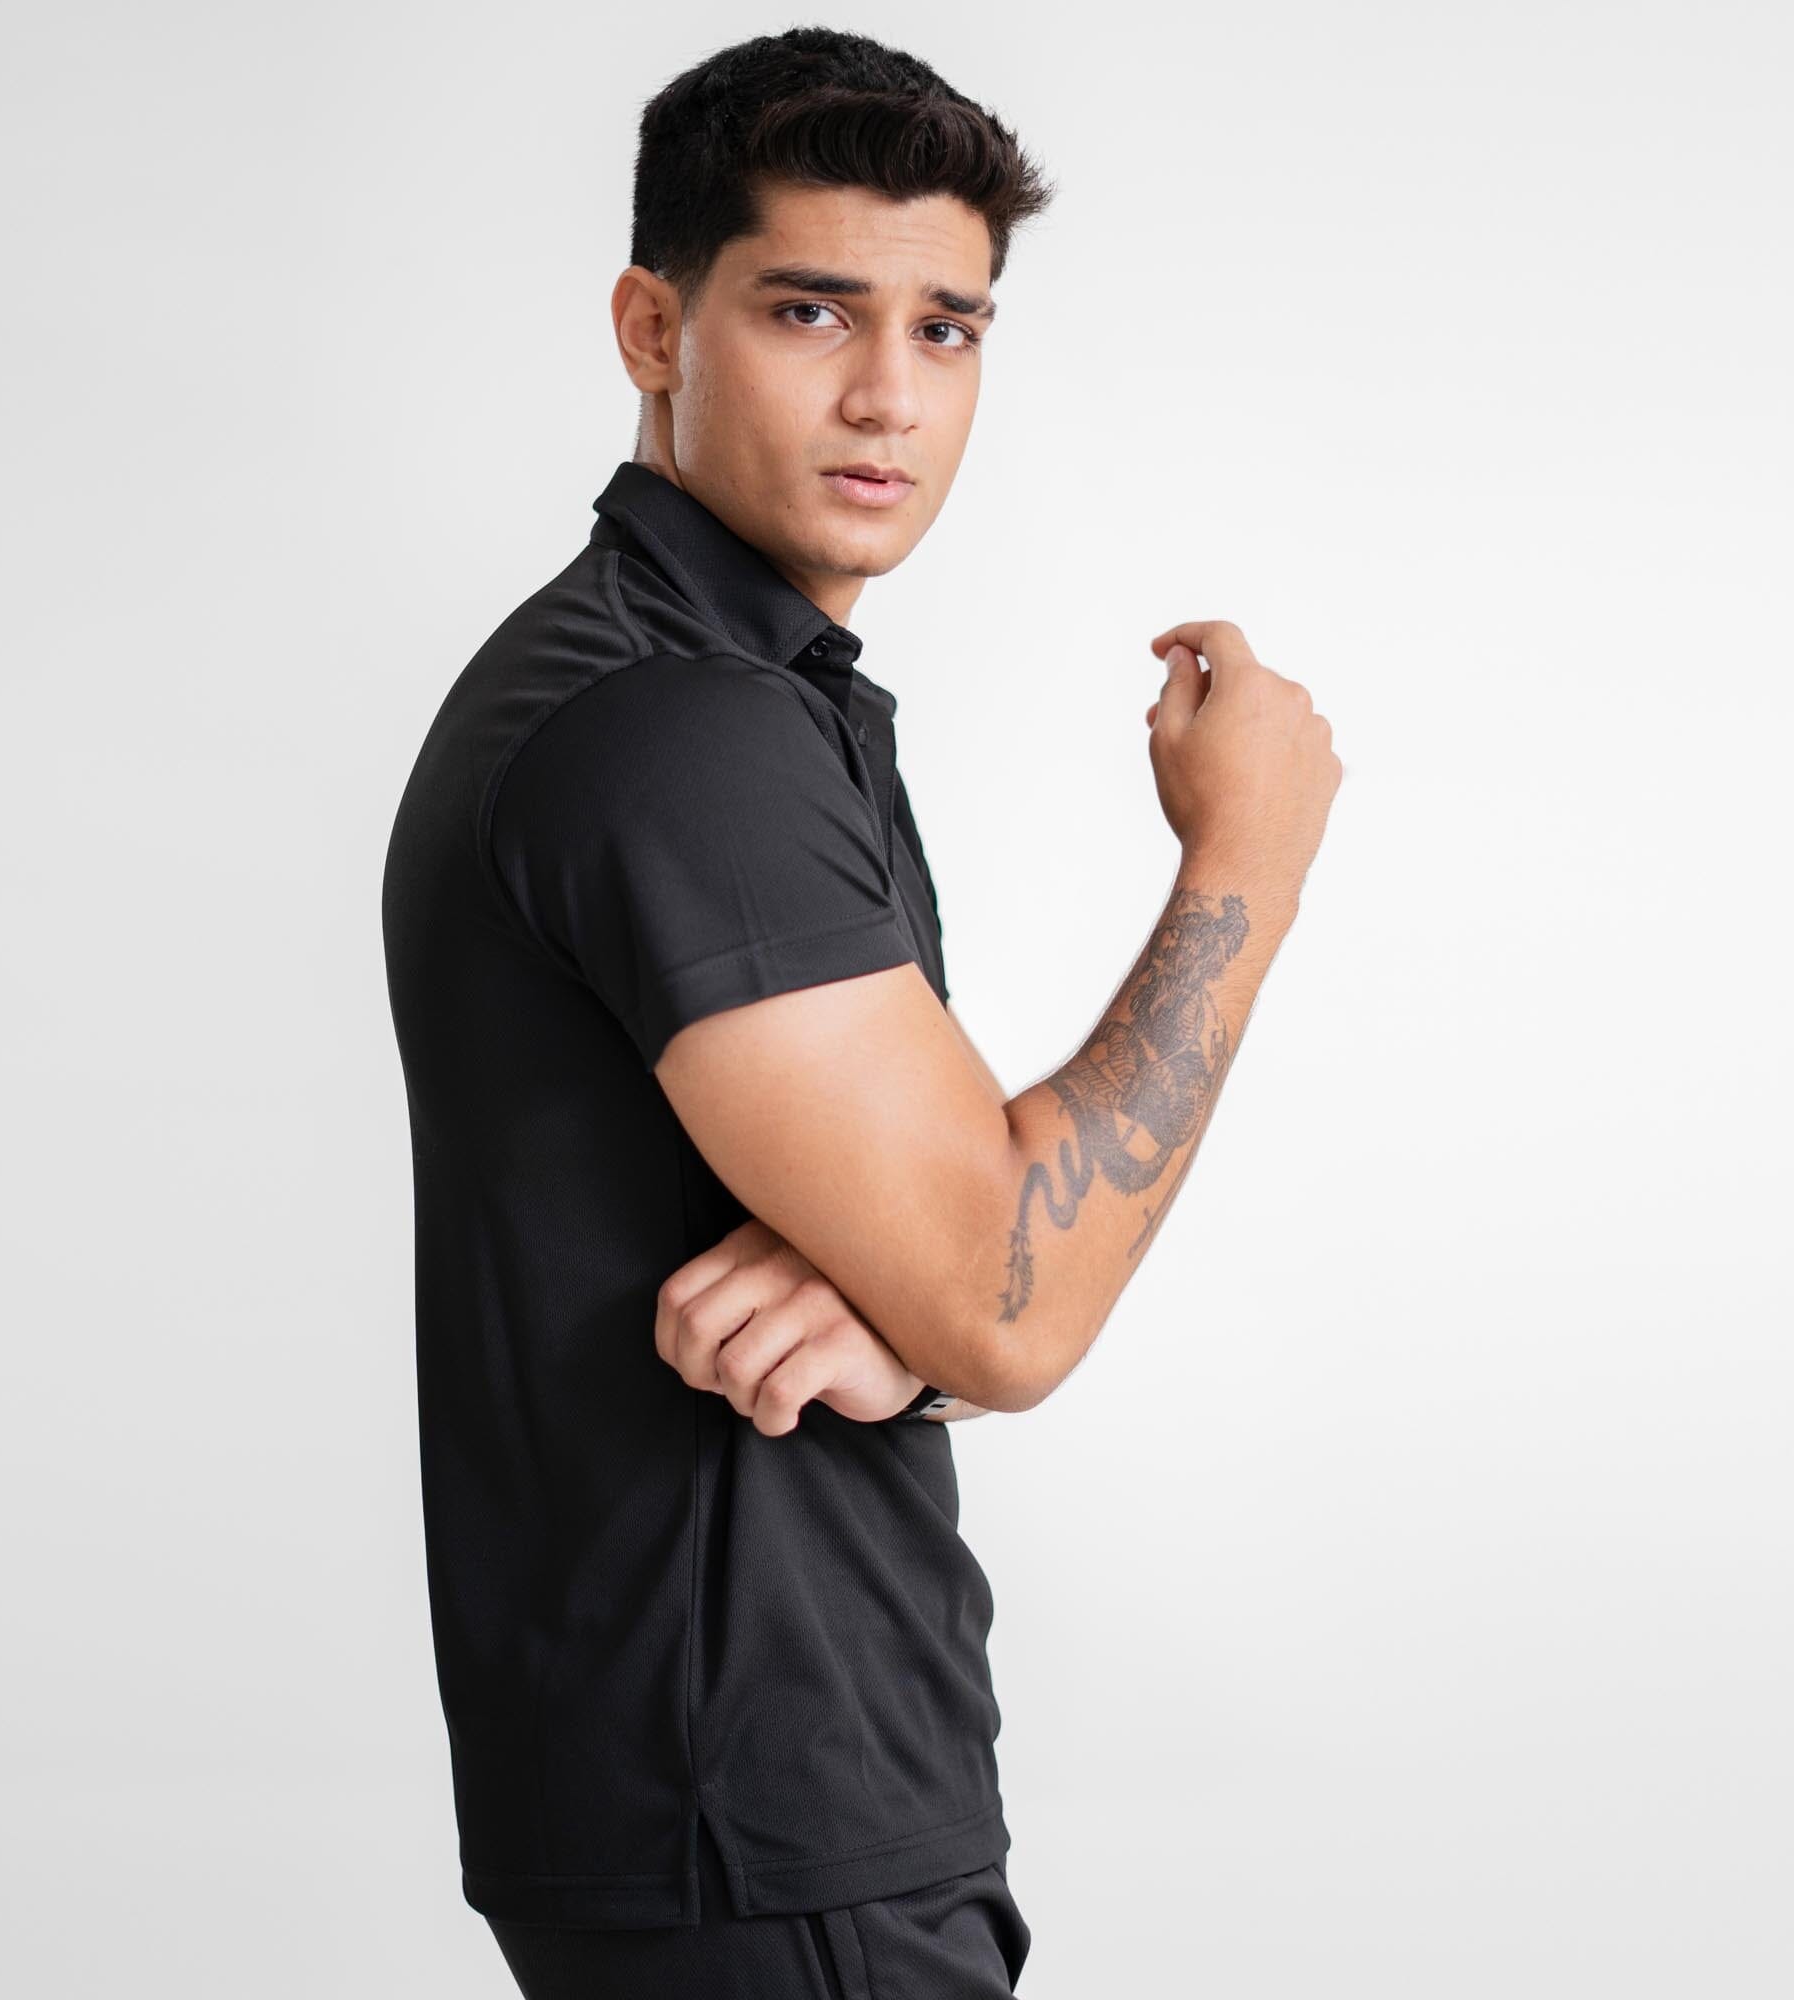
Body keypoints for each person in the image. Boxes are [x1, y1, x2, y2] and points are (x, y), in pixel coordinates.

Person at [380, 25, 1340, 1997]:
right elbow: (1014, 1297)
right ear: (655, 326)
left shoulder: (716, 692)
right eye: (811, 310)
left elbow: (960, 1286)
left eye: (947, 328)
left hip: (724, 1799)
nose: (890, 394)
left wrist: (908, 1320)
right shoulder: (677, 734)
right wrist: (1249, 859)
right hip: (763, 1810)